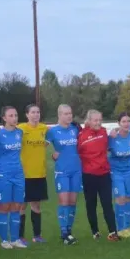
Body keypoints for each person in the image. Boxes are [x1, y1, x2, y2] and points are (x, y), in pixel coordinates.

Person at [78, 110, 120, 241]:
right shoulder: (81, 136)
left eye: (99, 120)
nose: (98, 123)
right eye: (95, 120)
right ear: (89, 121)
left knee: (107, 204)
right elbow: (77, 153)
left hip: (104, 174)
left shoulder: (103, 132)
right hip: (89, 175)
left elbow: (106, 146)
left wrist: (112, 136)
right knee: (91, 204)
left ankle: (113, 232)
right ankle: (95, 231)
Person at [0, 106, 26, 249]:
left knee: (17, 207)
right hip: (3, 174)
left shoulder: (20, 132)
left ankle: (15, 239)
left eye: (16, 115)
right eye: (11, 116)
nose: (14, 118)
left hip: (18, 174)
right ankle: (4, 240)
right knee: (4, 207)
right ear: (4, 118)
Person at [45, 104, 81, 245]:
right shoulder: (53, 131)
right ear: (59, 115)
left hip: (76, 170)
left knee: (72, 202)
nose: (69, 116)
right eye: (65, 113)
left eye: (70, 113)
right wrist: (53, 156)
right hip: (62, 172)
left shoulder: (75, 130)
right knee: (64, 202)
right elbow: (40, 147)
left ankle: (69, 231)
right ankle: (64, 232)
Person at [17, 104, 48, 243]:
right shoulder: (21, 129)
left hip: (40, 173)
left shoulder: (44, 128)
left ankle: (37, 236)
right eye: (33, 112)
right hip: (24, 174)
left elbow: (60, 131)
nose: (36, 115)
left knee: (36, 205)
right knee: (22, 206)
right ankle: (20, 236)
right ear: (27, 115)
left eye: (38, 112)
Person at [108, 112, 130, 238]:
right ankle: (120, 228)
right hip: (116, 171)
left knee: (129, 197)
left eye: (128, 121)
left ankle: (128, 227)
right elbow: (104, 150)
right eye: (124, 121)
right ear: (118, 123)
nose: (126, 123)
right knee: (120, 198)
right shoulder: (113, 137)